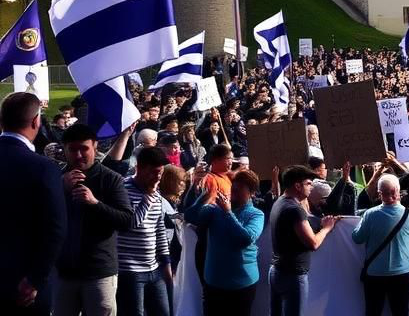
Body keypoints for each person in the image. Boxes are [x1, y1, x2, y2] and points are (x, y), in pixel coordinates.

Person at [55, 123, 133, 316]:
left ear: (95, 146)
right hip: (64, 273)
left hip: (99, 273)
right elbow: (40, 216)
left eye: (84, 149)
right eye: (73, 150)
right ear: (64, 149)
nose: (79, 155)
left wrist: (95, 203)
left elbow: (126, 221)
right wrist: (59, 190)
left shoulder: (111, 179)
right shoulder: (56, 178)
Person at [0, 92, 66, 315]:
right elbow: (56, 228)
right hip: (25, 284)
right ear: (35, 121)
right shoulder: (44, 167)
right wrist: (35, 279)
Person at [184, 169, 265, 316]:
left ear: (252, 192)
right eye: (234, 185)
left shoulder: (256, 214)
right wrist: (202, 194)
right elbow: (190, 216)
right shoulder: (215, 210)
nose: (234, 189)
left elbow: (245, 239)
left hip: (242, 284)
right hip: (214, 283)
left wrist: (228, 213)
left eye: (241, 187)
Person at [269, 165, 341, 316]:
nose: (311, 187)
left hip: (277, 271)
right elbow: (313, 243)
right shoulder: (294, 209)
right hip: (292, 276)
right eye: (308, 183)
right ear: (297, 186)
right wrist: (327, 228)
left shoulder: (280, 201)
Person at [352, 174, 409, 316]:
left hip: (374, 274)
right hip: (401, 273)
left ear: (379, 194)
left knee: (373, 312)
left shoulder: (370, 214)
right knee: (400, 312)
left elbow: (357, 238)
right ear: (398, 191)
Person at [117, 147, 173, 316]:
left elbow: (159, 230)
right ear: (139, 168)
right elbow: (130, 223)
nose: (157, 177)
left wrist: (166, 263)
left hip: (153, 269)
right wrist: (147, 198)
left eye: (160, 173)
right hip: (130, 271)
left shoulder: (155, 192)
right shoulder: (123, 189)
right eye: (153, 172)